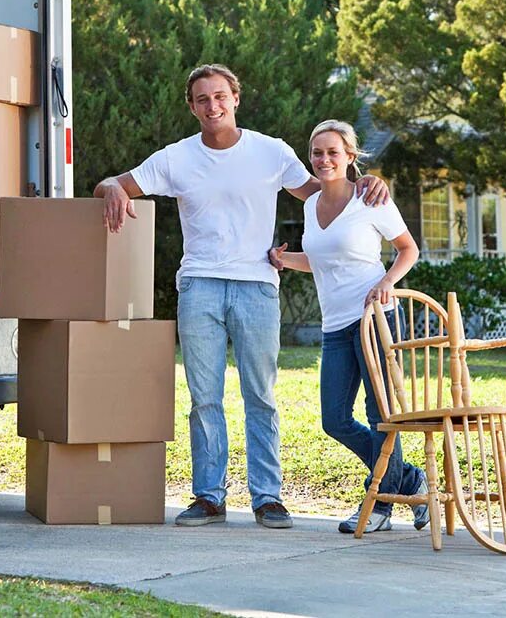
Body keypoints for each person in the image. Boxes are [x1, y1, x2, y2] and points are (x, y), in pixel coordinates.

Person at [94, 64, 388, 529]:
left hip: (256, 286)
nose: (212, 106)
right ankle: (209, 496)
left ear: (236, 99)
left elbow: (326, 191)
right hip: (199, 286)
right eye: (202, 99)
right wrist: (110, 186)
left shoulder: (270, 152)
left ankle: (267, 497)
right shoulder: (176, 158)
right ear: (192, 107)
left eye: (220, 96)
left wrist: (369, 182)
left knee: (261, 395)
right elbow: (114, 184)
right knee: (204, 397)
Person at [268, 120, 429, 533]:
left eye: (333, 153)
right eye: (317, 153)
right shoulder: (309, 205)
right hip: (335, 325)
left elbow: (408, 249)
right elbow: (322, 260)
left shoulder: (369, 199)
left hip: (375, 321)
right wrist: (285, 260)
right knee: (334, 419)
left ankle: (379, 506)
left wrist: (385, 282)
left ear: (350, 158)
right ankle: (408, 480)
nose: (324, 160)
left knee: (381, 417)